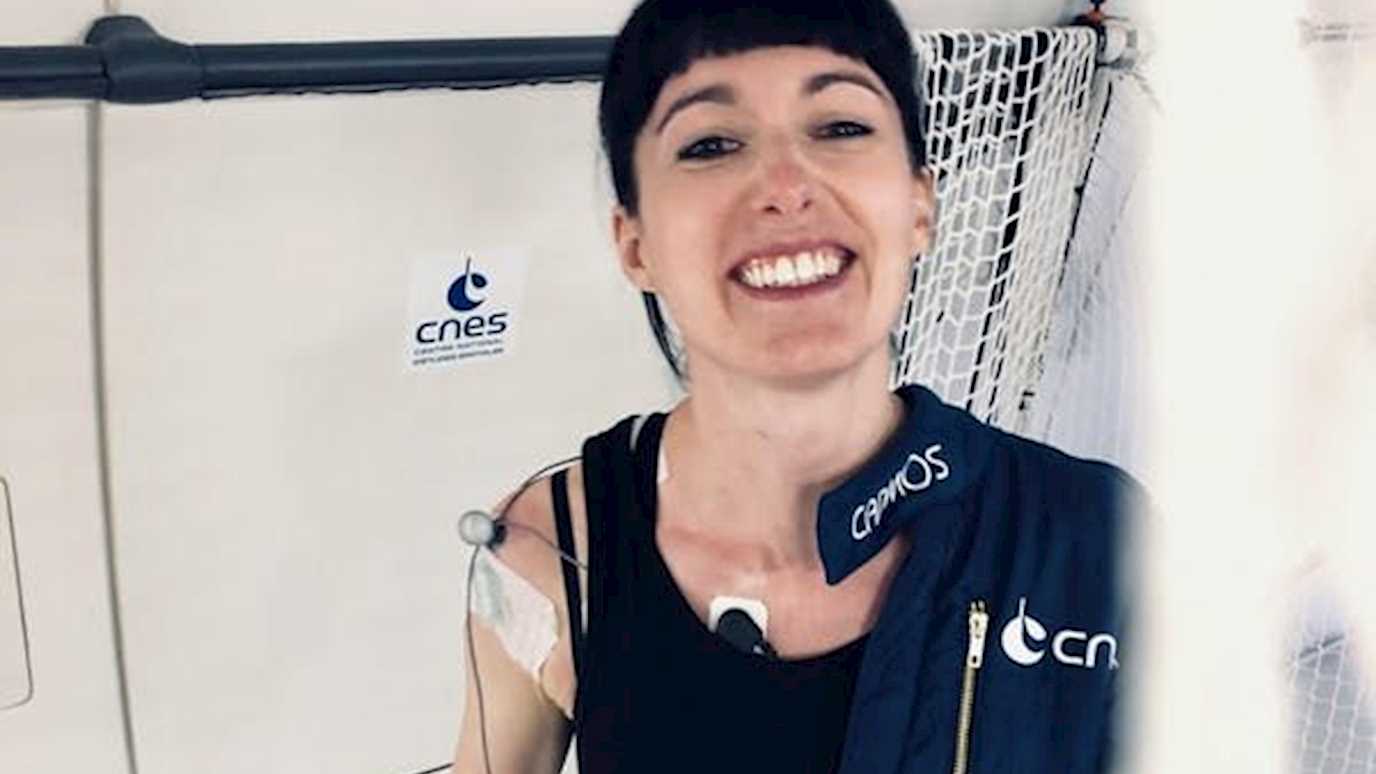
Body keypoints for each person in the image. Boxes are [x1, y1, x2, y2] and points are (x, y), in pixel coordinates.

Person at [453, 1, 1141, 772]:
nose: (785, 185)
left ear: (920, 204)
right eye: (711, 144)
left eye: (841, 127)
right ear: (635, 242)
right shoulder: (548, 551)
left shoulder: (1101, 540)